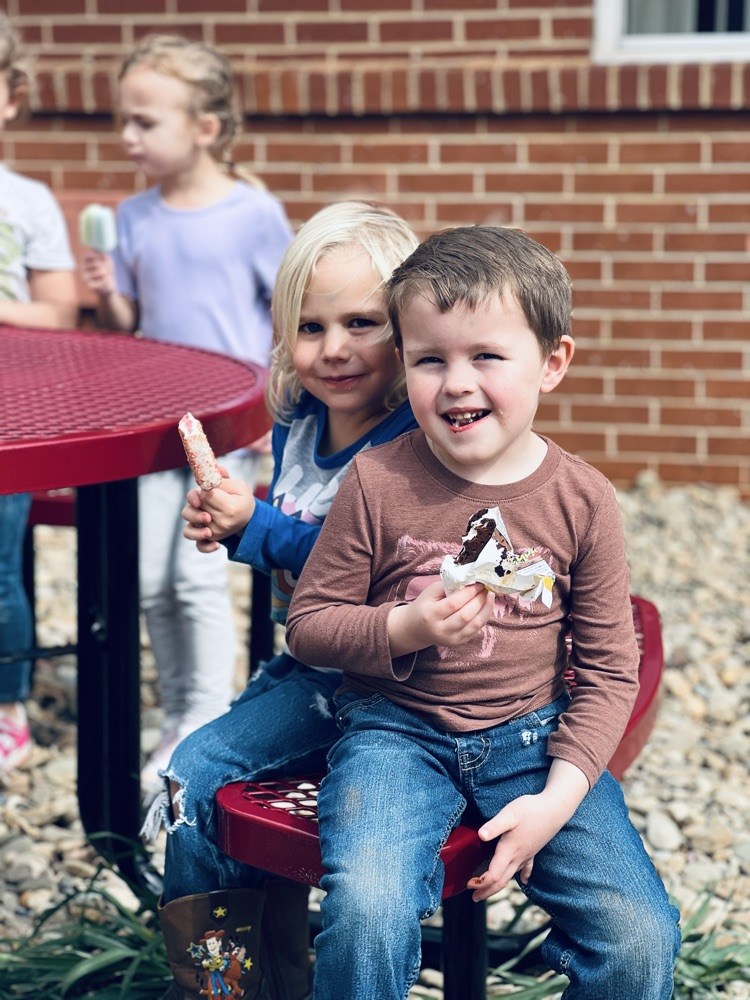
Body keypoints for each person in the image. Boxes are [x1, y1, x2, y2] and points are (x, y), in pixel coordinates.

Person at [285, 225, 682, 1000]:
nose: (456, 383)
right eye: (431, 359)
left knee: (639, 937)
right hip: (394, 732)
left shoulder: (582, 500)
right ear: (405, 366)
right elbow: (310, 625)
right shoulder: (376, 481)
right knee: (365, 909)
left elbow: (607, 670)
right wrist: (404, 628)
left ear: (553, 362)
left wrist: (554, 803)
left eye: (486, 357)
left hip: (536, 739)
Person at [144, 201, 419, 1000]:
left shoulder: (408, 447)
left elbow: (358, 567)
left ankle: (223, 987)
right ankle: (240, 984)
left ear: (407, 329)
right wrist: (230, 526)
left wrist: (259, 528)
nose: (333, 349)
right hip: (302, 671)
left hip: (366, 693)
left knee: (194, 780)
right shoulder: (302, 424)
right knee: (201, 787)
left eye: (362, 322)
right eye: (310, 327)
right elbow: (287, 540)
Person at [80, 34, 294, 798]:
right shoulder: (133, 215)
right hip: (156, 425)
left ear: (205, 127)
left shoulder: (253, 214)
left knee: (196, 575)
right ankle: (179, 714)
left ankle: (206, 715)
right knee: (149, 578)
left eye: (145, 121)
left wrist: (283, 421)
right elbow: (131, 321)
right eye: (123, 122)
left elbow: (292, 312)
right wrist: (108, 290)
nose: (128, 137)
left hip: (226, 430)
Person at [0, 14, 77, 778]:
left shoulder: (24, 199)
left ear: (11, 96)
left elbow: (60, 313)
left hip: (9, 410)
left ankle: (7, 702)